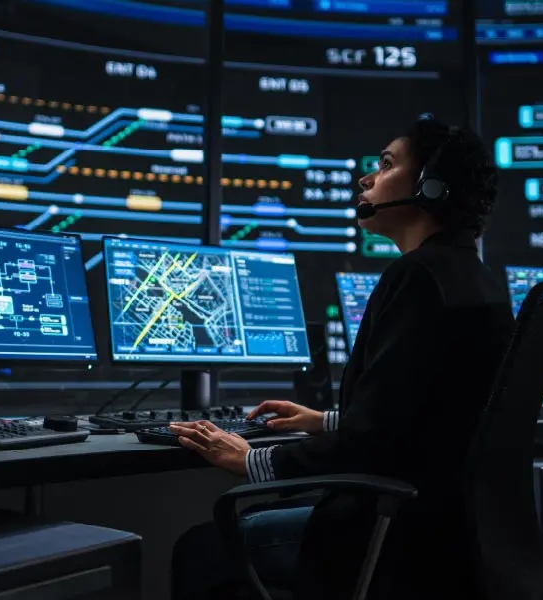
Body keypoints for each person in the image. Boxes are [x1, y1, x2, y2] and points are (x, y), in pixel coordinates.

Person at [169, 114, 516, 599]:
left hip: (393, 535)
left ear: (431, 188)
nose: (366, 178)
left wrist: (253, 461)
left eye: (387, 164)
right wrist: (326, 420)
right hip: (447, 535)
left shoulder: (417, 277)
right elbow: (430, 417)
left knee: (200, 549)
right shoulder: (473, 278)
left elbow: (374, 444)